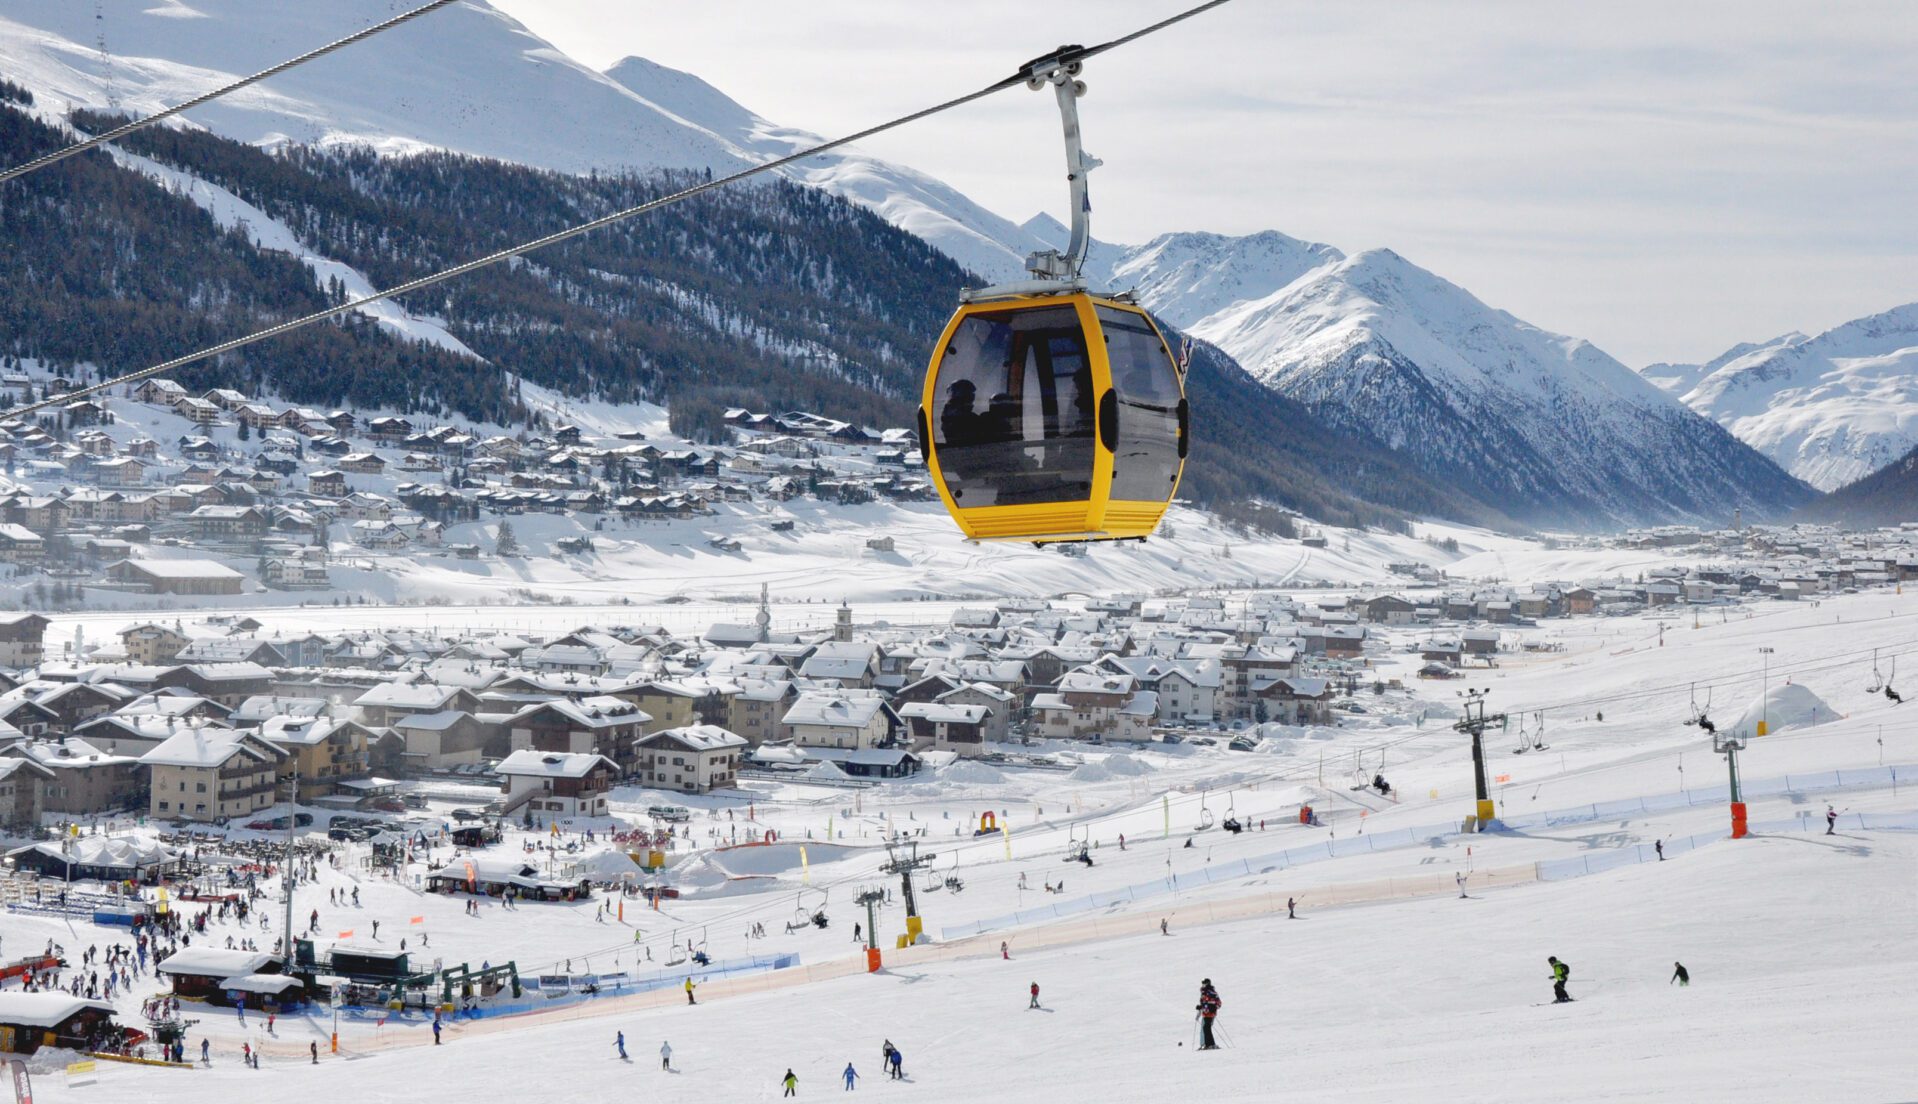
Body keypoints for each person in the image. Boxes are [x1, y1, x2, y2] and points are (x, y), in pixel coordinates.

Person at [1196, 979, 1222, 1050]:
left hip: (1210, 1013)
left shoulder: (1212, 992)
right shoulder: (1203, 993)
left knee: (1206, 1027)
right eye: (1202, 984)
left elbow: (1218, 1003)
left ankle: (1211, 1044)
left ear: (1208, 984)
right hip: (1205, 1013)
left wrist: (1212, 1007)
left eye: (1204, 983)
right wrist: (1200, 1007)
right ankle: (1207, 1044)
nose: (1203, 985)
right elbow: (1204, 1003)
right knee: (1206, 1028)